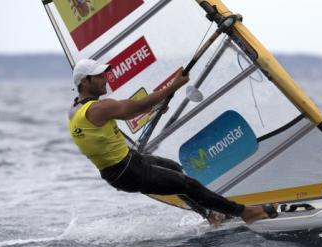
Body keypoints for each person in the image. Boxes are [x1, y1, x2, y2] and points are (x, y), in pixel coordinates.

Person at [68, 59, 278, 226]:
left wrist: (153, 107)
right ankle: (245, 212)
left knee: (175, 169)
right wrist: (174, 85)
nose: (105, 79)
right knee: (188, 185)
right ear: (84, 82)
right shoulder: (98, 108)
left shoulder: (76, 110)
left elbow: (122, 117)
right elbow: (139, 105)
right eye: (99, 76)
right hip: (128, 170)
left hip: (125, 165)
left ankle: (211, 215)